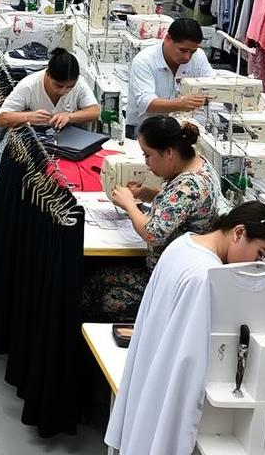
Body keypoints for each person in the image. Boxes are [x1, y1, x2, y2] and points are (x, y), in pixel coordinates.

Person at [104, 202, 265, 455]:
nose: (256, 265)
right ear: (239, 233)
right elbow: (190, 363)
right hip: (170, 389)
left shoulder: (183, 245)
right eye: (259, 254)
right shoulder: (204, 278)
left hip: (152, 375)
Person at [84, 116, 225, 321]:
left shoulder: (189, 186)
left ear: (169, 153)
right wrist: (148, 194)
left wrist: (129, 205)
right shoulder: (199, 164)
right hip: (176, 269)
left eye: (148, 155)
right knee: (97, 275)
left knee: (96, 285)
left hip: (169, 281)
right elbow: (180, 205)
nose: (146, 162)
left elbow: (152, 234)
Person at [125, 17, 214, 137]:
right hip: (145, 130)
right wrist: (180, 104)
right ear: (167, 39)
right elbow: (146, 103)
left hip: (181, 128)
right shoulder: (144, 61)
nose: (187, 57)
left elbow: (210, 86)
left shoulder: (198, 57)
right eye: (183, 50)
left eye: (192, 52)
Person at [0, 48, 101, 130]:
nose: (63, 91)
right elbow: (1, 119)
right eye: (58, 86)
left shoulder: (79, 84)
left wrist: (70, 116)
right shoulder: (29, 86)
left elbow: (94, 112)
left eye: (69, 87)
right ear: (47, 74)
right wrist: (28, 116)